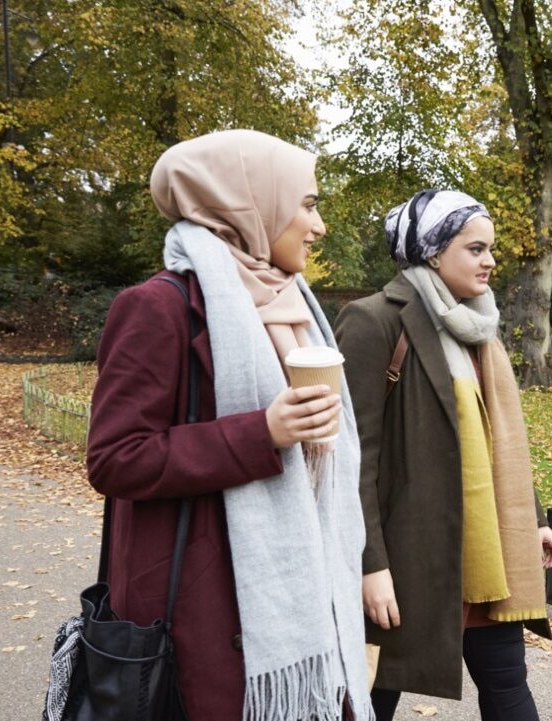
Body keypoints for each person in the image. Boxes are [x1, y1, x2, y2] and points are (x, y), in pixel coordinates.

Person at [87, 129, 373, 721]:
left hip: (299, 594)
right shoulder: (158, 306)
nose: (318, 226)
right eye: (307, 205)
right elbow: (114, 458)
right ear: (251, 203)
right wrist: (261, 433)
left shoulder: (294, 309)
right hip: (202, 609)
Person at [335, 189, 552, 721]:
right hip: (408, 560)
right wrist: (370, 566)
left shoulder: (478, 326)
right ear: (434, 253)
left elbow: (494, 438)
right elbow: (351, 461)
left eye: (491, 249)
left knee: (508, 687)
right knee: (373, 695)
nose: (490, 261)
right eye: (476, 249)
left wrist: (532, 518)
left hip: (486, 555)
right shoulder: (374, 321)